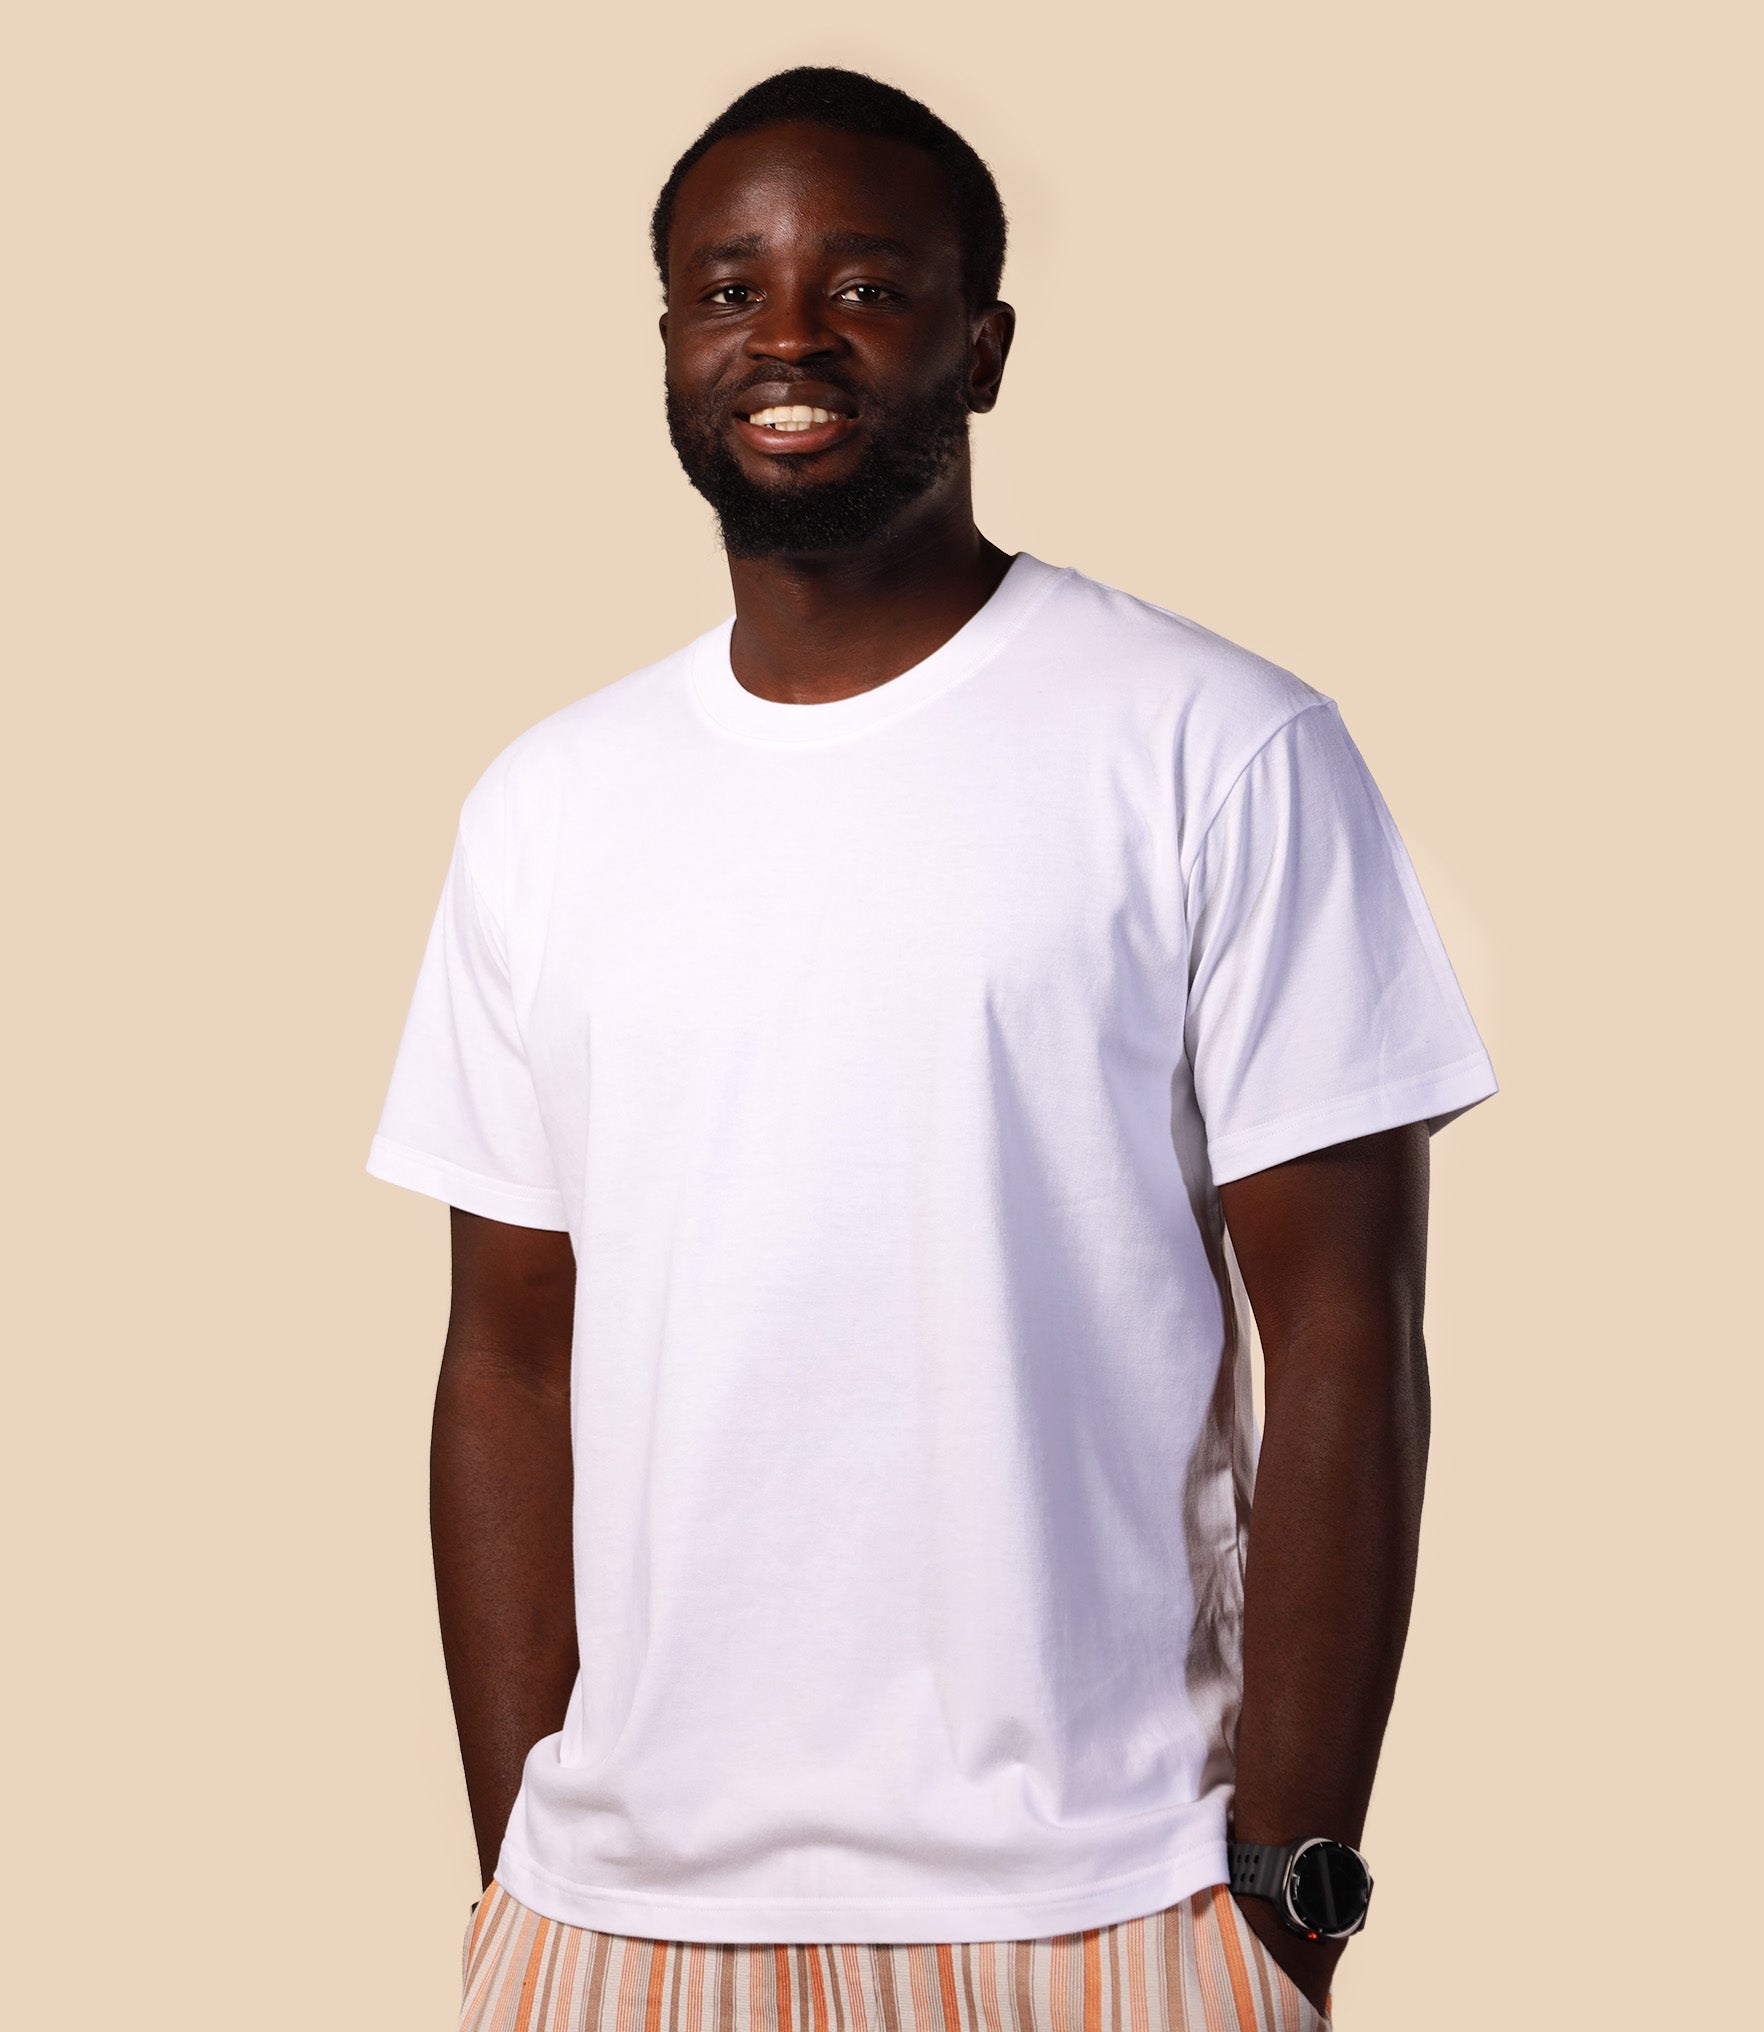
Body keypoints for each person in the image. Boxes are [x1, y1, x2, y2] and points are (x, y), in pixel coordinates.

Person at [367, 65, 1496, 2032]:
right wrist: (517, 1869)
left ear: (983, 345)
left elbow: (1341, 1328)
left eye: (865, 285)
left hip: (1105, 1900)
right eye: (728, 289)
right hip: (612, 1926)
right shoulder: (545, 807)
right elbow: (506, 1349)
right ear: (667, 343)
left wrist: (1286, 1898)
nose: (789, 333)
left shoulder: (1211, 744)